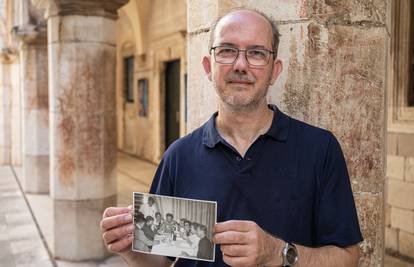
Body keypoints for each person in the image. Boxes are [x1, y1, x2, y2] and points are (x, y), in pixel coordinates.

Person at [100, 8, 362, 267]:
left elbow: (347, 258)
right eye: (226, 50)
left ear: (274, 71)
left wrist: (277, 253)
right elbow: (161, 261)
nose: (240, 65)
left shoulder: (319, 148)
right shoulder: (179, 156)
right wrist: (133, 252)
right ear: (207, 67)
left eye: (257, 53)